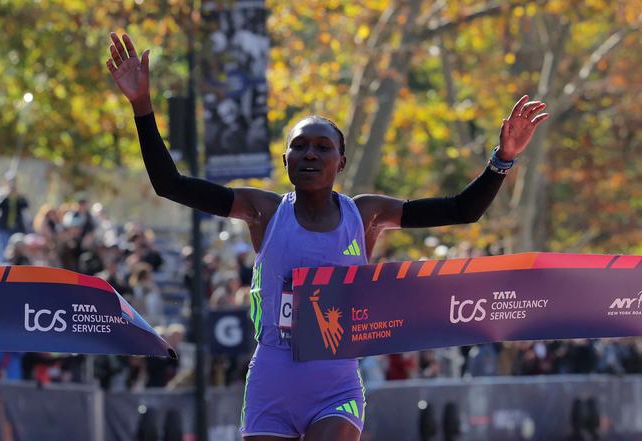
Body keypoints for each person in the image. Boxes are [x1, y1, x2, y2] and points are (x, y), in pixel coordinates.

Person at [106, 32, 549, 441]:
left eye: (322, 147)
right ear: (285, 161)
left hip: (334, 381)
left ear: (340, 162)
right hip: (271, 377)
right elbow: (171, 184)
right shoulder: (263, 211)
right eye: (300, 147)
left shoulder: (367, 215)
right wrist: (142, 107)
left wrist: (503, 159)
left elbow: (461, 210)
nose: (310, 154)